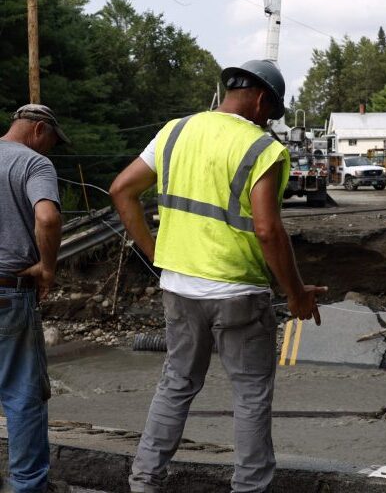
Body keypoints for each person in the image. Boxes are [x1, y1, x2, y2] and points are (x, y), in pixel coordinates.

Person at [110, 59, 326, 493]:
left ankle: (144, 482)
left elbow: (121, 190)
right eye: (272, 113)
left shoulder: (174, 131)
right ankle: (248, 488)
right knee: (249, 396)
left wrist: (158, 255)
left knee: (176, 384)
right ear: (263, 99)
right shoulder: (262, 149)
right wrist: (297, 292)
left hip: (179, 287)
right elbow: (267, 229)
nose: (269, 121)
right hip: (238, 293)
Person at [0, 104, 69, 493]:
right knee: (22, 394)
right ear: (39, 129)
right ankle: (29, 486)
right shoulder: (33, 165)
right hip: (9, 292)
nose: (51, 151)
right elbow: (47, 218)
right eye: (52, 142)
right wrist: (47, 266)